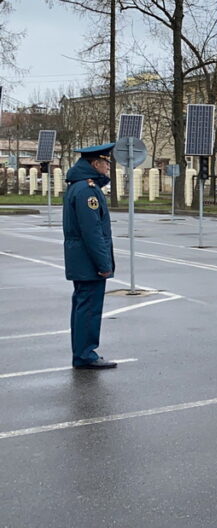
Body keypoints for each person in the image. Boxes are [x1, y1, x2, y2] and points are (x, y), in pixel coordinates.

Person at [63, 142, 117, 369]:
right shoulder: (87, 190)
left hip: (81, 260)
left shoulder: (80, 186)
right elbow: (92, 232)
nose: (108, 167)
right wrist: (104, 264)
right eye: (106, 162)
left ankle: (82, 353)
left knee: (83, 307)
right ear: (95, 164)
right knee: (88, 310)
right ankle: (85, 355)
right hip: (88, 262)